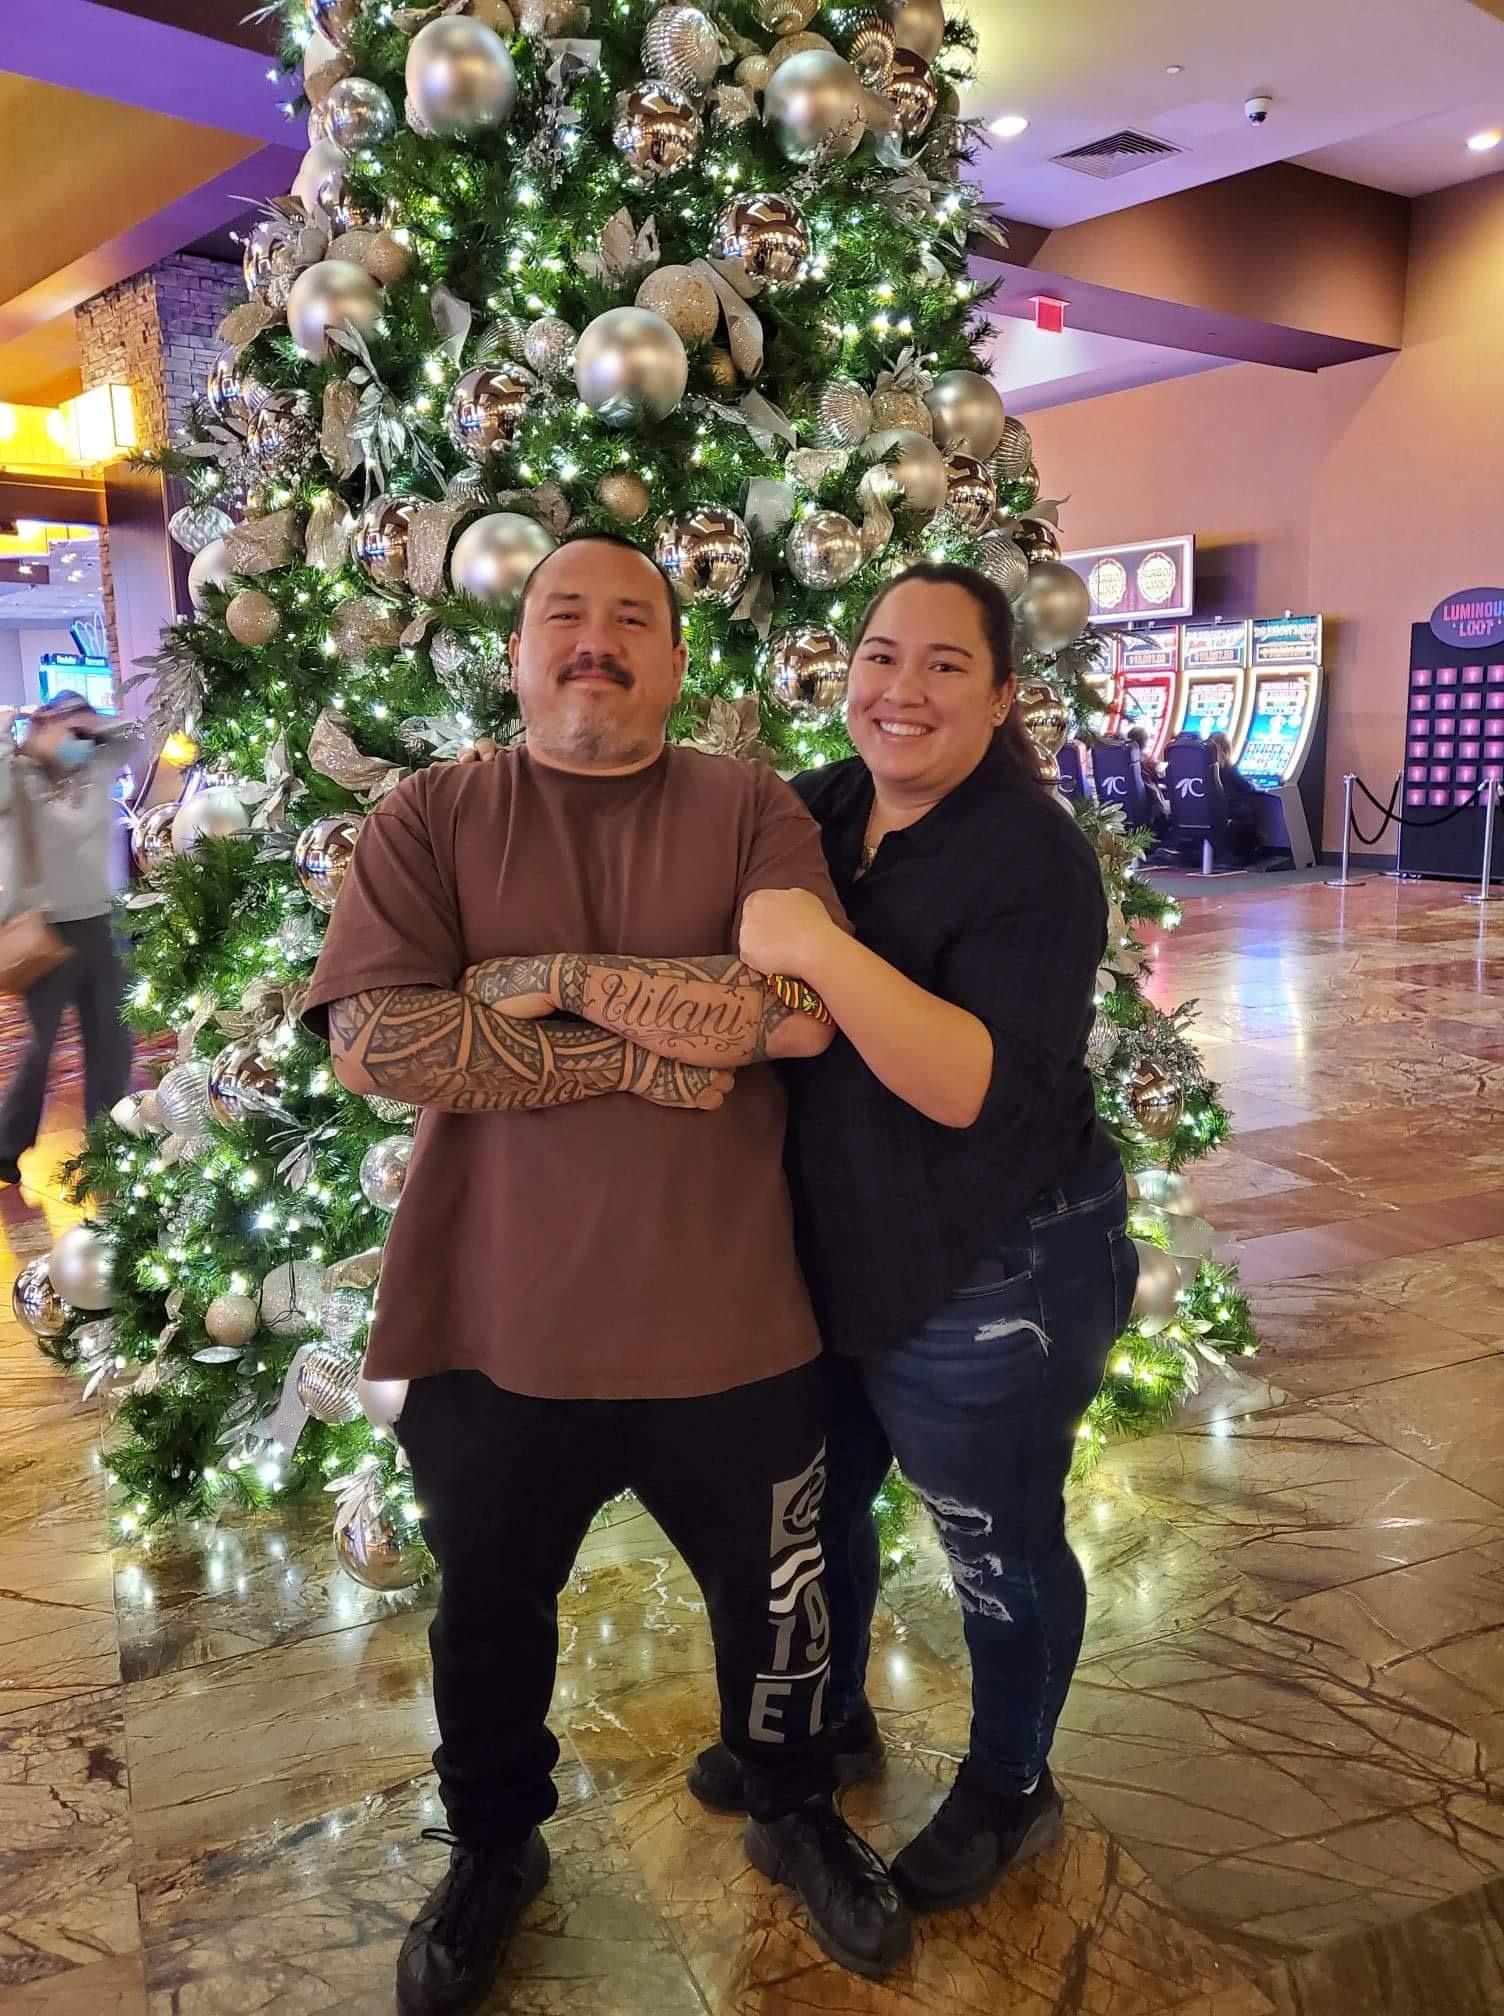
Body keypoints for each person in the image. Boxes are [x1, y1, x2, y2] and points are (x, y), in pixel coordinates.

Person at [301, 532, 908, 2016]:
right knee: (486, 1612)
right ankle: (497, 1847)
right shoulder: (431, 815)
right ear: (514, 652)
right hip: (492, 1315)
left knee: (781, 1600)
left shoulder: (750, 804)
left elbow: (797, 1017)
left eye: (633, 617)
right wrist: (662, 1048)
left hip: (735, 1312)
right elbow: (377, 1041)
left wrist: (557, 983)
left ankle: (790, 1807)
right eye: (562, 614)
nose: (596, 639)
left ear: (678, 659)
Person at [687, 563, 1138, 1916]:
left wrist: (820, 953)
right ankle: (831, 1722)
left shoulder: (1032, 856)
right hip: (837, 1256)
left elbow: (971, 1084)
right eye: (881, 656)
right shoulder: (819, 809)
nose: (901, 690)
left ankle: (1013, 1782)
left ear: (1004, 696)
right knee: (819, 1525)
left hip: (998, 1270)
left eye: (946, 665)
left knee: (995, 1545)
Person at [0, 692, 134, 1187]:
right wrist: (13, 728)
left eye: (80, 729)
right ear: (43, 730)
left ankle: (109, 1143)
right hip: (45, 928)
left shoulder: (94, 769)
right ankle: (6, 1145)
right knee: (39, 1048)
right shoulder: (20, 778)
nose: (72, 739)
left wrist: (90, 725)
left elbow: (134, 736)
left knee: (111, 1043)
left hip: (103, 924)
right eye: (64, 728)